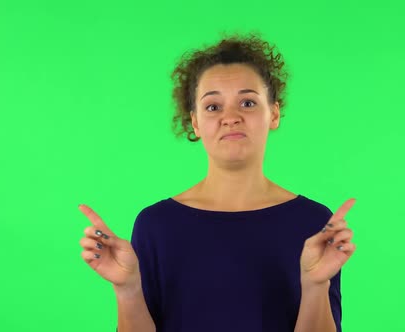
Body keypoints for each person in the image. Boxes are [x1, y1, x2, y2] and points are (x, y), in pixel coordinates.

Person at [78, 31, 357, 332]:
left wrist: (315, 285)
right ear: (195, 122)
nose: (231, 117)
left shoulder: (313, 223)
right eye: (213, 106)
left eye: (248, 103)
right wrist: (128, 289)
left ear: (273, 114)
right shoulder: (156, 225)